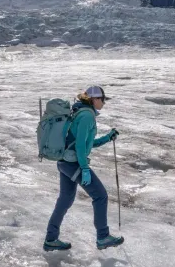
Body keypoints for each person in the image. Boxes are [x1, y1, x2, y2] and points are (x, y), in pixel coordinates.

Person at [44, 86, 124, 251]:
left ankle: (51, 239)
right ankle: (102, 236)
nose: (104, 102)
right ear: (94, 99)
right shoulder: (87, 116)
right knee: (100, 195)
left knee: (65, 200)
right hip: (73, 163)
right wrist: (85, 168)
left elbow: (87, 143)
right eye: (103, 99)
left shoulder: (80, 112)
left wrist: (107, 138)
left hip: (65, 161)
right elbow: (80, 145)